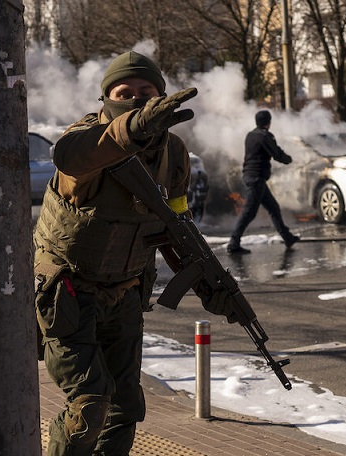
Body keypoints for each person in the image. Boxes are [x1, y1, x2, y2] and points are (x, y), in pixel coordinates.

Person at [32, 51, 236, 455]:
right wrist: (133, 129)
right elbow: (68, 157)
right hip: (69, 293)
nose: (137, 100)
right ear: (105, 99)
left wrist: (209, 283)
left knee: (125, 407)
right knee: (90, 405)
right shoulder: (86, 140)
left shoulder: (174, 154)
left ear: (163, 96)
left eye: (148, 93)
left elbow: (176, 223)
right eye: (125, 93)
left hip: (125, 292)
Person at [227, 110, 299, 254]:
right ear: (268, 122)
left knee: (273, 208)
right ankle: (233, 243)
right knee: (249, 212)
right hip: (256, 179)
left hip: (252, 177)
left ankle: (288, 237)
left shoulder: (250, 135)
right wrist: (289, 159)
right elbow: (277, 154)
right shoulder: (265, 136)